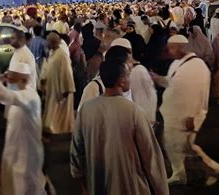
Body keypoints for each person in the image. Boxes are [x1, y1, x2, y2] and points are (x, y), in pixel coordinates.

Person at [70, 59, 168, 195]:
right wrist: (161, 189)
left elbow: (77, 148)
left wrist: (80, 177)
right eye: (128, 75)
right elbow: (150, 156)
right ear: (121, 81)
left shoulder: (87, 109)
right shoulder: (134, 111)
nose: (130, 79)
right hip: (128, 185)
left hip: (97, 183)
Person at [160, 35, 219, 186]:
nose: (169, 51)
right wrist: (157, 78)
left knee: (182, 146)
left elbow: (197, 93)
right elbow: (172, 83)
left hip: (186, 116)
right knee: (179, 145)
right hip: (175, 113)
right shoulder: (177, 63)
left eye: (172, 47)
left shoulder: (197, 66)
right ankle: (182, 173)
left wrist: (191, 117)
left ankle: (211, 169)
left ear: (181, 47)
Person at [0, 60, 46, 195]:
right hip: (14, 152)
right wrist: (1, 78)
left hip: (27, 155)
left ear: (23, 79)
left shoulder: (29, 96)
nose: (9, 81)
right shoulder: (18, 94)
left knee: (27, 188)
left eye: (12, 79)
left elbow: (6, 96)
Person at [41, 32, 75, 134]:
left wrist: (66, 89)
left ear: (53, 42)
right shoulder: (53, 52)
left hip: (61, 89)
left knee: (59, 114)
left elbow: (67, 73)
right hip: (52, 87)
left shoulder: (62, 55)